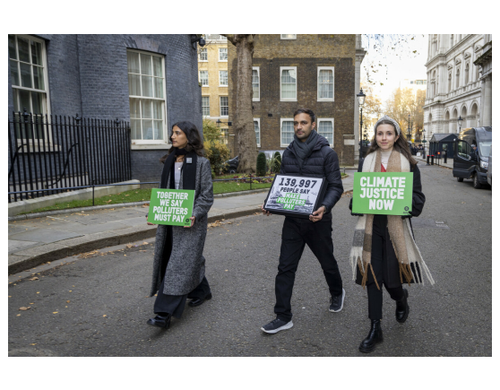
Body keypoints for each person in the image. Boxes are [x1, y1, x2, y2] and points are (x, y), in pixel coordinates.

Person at [349, 115, 435, 353]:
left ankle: (400, 297)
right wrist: (357, 202)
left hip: (396, 228)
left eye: (388, 133)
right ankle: (375, 327)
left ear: (396, 136)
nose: (384, 137)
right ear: (375, 137)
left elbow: (417, 201)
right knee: (372, 276)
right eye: (380, 133)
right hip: (371, 226)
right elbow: (357, 199)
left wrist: (401, 200)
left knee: (392, 280)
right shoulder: (366, 161)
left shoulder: (409, 164)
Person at [260, 108, 345, 334]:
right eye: (295, 123)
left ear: (313, 125)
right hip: (293, 221)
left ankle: (337, 292)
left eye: (303, 123)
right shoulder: (288, 153)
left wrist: (324, 207)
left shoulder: (328, 153)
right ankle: (283, 315)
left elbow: (337, 186)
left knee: (327, 262)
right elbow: (284, 183)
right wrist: (271, 202)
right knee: (285, 267)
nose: (298, 127)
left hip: (318, 221)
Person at [146, 121, 214, 329]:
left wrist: (195, 214)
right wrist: (155, 212)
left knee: (178, 264)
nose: (172, 136)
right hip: (169, 221)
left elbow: (206, 196)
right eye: (172, 133)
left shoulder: (201, 163)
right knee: (180, 259)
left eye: (177, 133)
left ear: (189, 137)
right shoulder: (169, 161)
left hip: (191, 222)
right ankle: (201, 290)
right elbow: (163, 192)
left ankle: (163, 313)